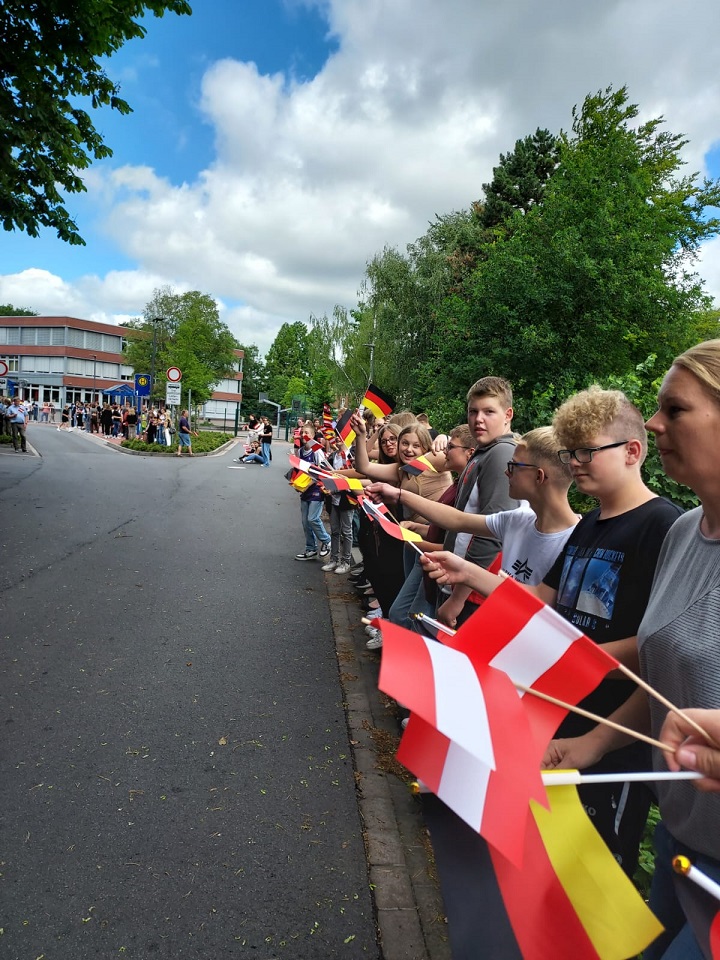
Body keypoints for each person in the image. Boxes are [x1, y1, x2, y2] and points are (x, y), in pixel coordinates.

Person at [432, 376, 521, 628]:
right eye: (473, 411)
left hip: (473, 592)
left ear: (508, 414)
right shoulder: (485, 451)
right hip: (460, 581)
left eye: (489, 411)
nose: (478, 419)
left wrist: (459, 597)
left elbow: (491, 532)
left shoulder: (502, 453)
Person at [295, 431, 332, 560]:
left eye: (307, 433)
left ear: (312, 435)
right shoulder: (299, 452)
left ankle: (326, 540)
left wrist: (309, 484)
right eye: (302, 433)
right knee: (305, 522)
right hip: (304, 490)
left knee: (312, 518)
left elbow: (321, 472)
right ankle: (310, 549)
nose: (304, 435)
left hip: (316, 490)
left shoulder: (317, 452)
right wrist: (296, 484)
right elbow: (298, 471)